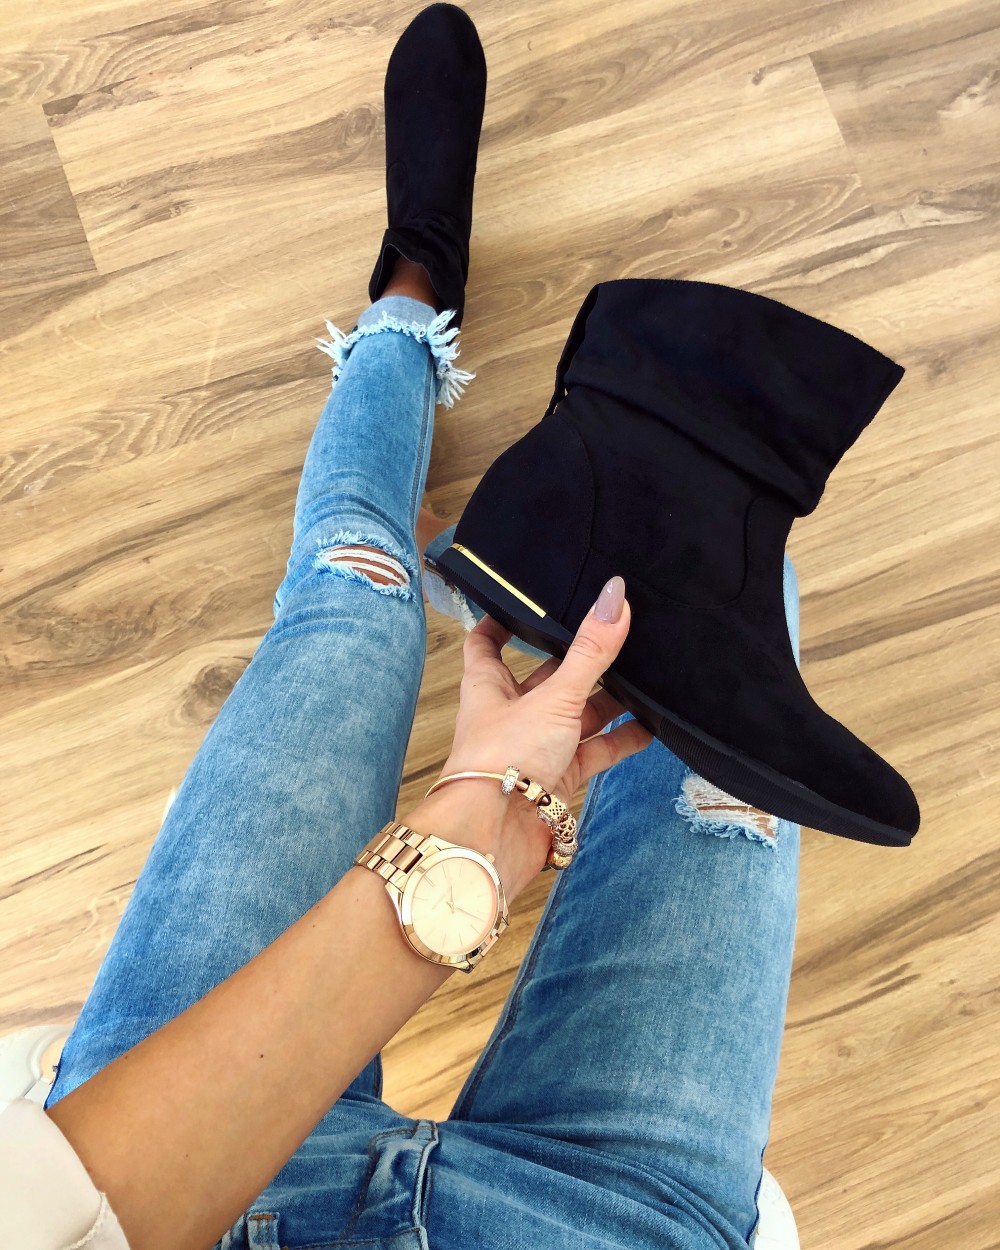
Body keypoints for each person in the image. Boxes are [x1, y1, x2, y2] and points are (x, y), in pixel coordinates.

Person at [1, 6, 803, 1249]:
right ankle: (513, 534)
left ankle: (411, 287)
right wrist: (473, 827)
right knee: (726, 655)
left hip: (160, 1182)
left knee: (355, 593)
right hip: (620, 1222)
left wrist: (476, 821)